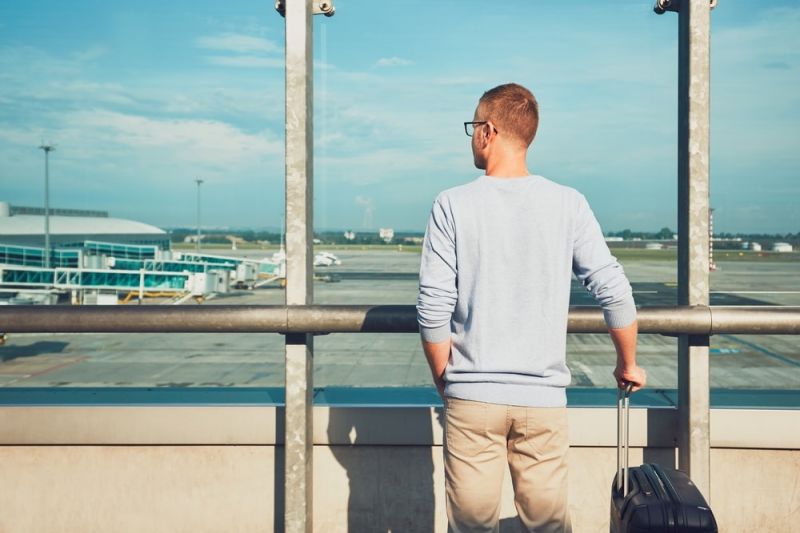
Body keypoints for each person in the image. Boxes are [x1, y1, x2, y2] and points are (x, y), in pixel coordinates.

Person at [416, 83, 647, 533]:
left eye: (472, 127)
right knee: (546, 527)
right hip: (543, 400)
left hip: (473, 397)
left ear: (487, 131)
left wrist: (446, 378)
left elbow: (432, 308)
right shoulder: (569, 203)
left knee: (472, 527)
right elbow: (614, 291)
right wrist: (629, 363)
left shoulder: (452, 204)